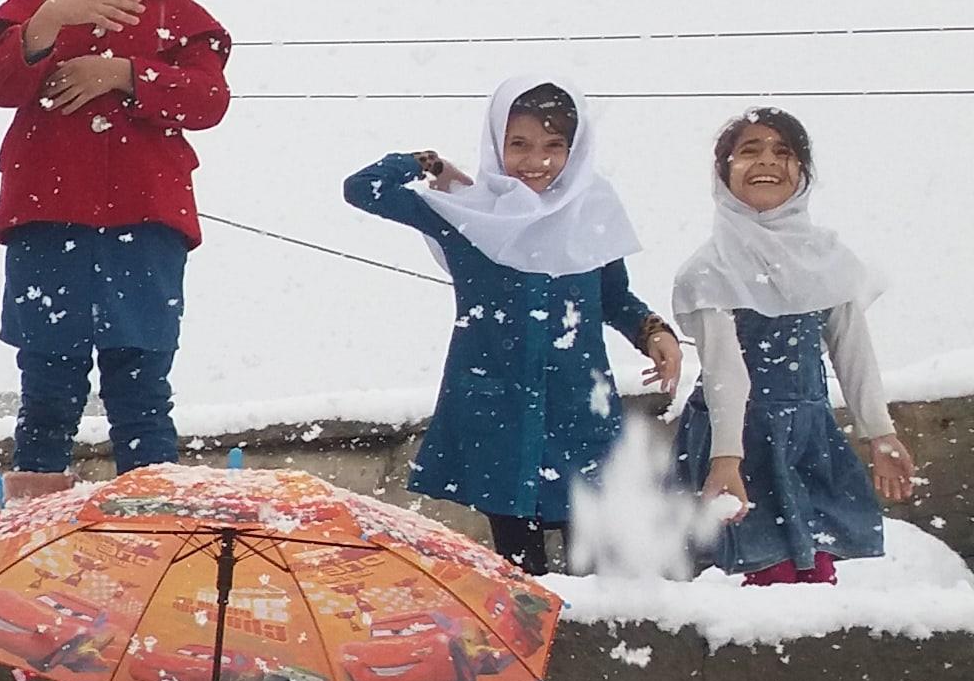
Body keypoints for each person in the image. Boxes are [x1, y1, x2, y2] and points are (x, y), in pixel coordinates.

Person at [343, 79, 679, 573]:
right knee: (519, 575)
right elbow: (363, 189)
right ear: (495, 143)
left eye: (553, 145)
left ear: (575, 149)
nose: (535, 160)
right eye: (518, 143)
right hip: (498, 415)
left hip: (578, 413)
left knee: (597, 568)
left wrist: (653, 332)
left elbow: (613, 298)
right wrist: (426, 162)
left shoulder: (591, 212)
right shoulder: (469, 215)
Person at [0, 0, 236, 495]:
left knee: (140, 387)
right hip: (47, 219)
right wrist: (51, 19)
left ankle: (151, 522)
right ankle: (33, 527)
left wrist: (124, 74)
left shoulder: (173, 9)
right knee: (47, 386)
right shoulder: (26, 10)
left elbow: (208, 100)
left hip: (145, 220)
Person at [666, 108, 911, 584]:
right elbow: (724, 372)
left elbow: (852, 349)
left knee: (818, 568)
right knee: (758, 572)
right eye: (749, 151)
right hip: (738, 436)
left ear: (803, 171)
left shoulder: (828, 259)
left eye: (783, 151)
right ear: (723, 171)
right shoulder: (711, 269)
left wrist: (879, 433)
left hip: (808, 436)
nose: (767, 161)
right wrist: (727, 460)